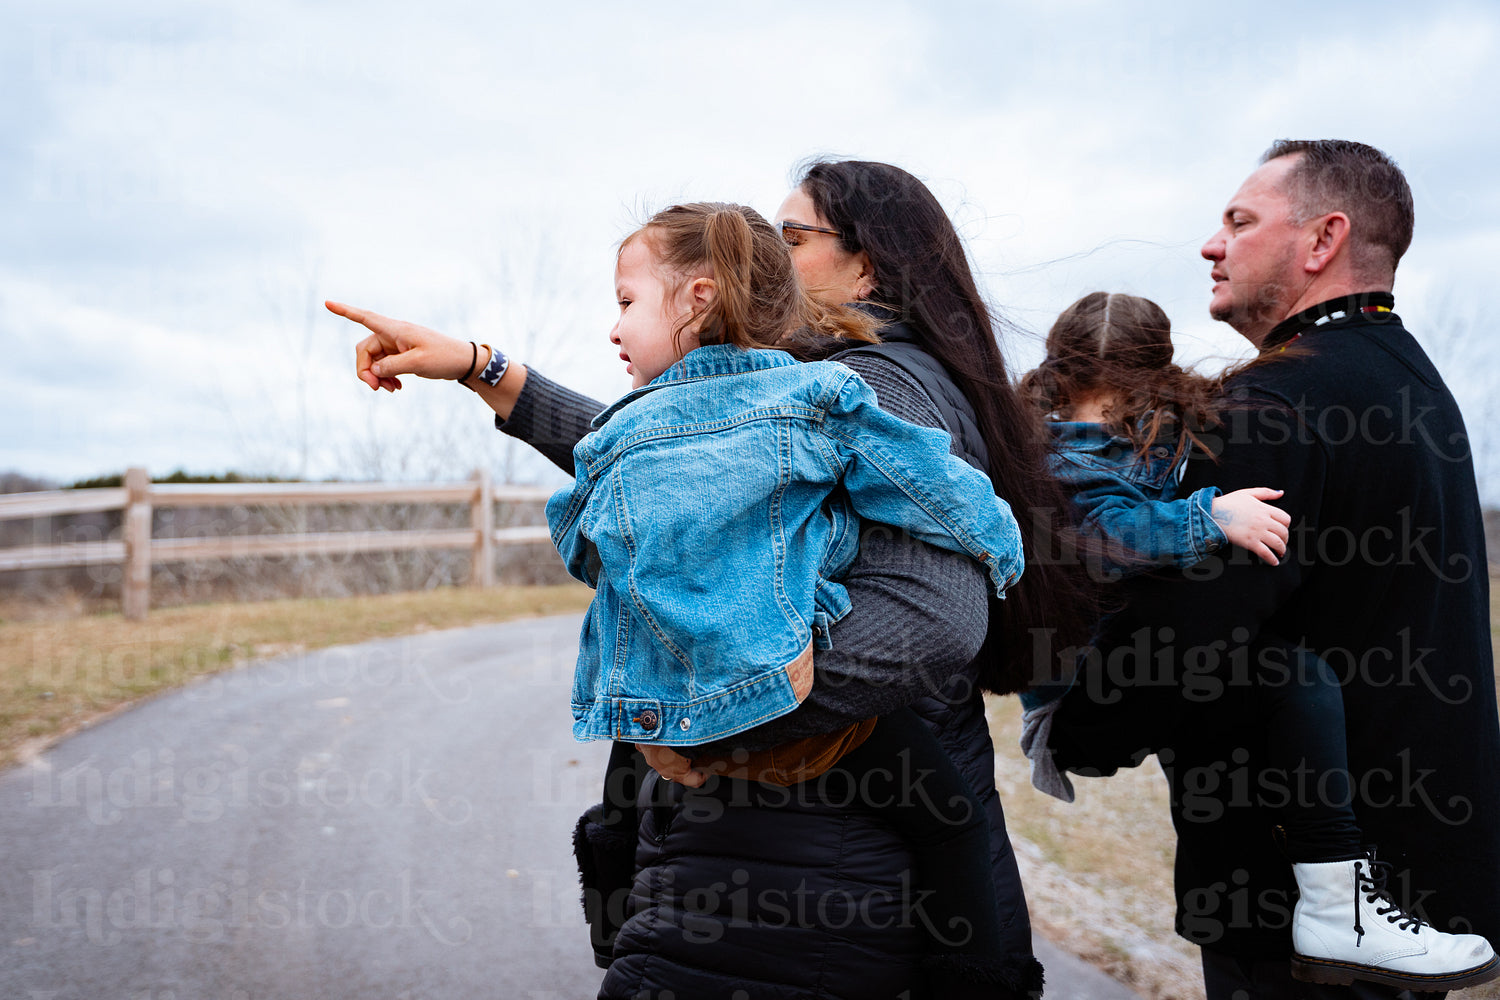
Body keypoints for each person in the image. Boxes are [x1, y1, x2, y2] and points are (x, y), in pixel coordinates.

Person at [332, 159, 1088, 999]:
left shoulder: (869, 384)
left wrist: (701, 712)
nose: (760, 252)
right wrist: (486, 368)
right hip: (791, 867)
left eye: (789, 237)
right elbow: (677, 458)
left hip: (815, 886)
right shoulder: (796, 383)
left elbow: (929, 620)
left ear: (869, 266)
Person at [1047, 141, 1500, 999]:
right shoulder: (1410, 381)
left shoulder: (1272, 401)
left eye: (1240, 222)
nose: (1212, 245)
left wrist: (1083, 731)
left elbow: (1193, 627)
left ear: (1322, 240)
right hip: (1421, 873)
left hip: (1299, 894)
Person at [550, 199, 1032, 995]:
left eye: (626, 303)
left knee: (631, 806)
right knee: (948, 812)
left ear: (697, 298)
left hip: (662, 719)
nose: (614, 327)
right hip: (797, 687)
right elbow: (926, 483)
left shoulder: (615, 436)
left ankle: (612, 932)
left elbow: (582, 542)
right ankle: (975, 977)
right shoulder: (818, 398)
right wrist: (1000, 548)